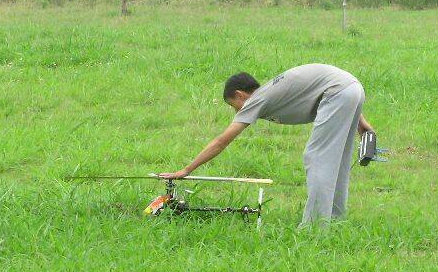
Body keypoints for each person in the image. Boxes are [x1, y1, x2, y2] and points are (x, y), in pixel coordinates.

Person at [160, 64, 374, 225]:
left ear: (239, 94)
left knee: (317, 157)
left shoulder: (256, 100)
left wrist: (186, 170)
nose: (236, 111)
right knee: (337, 160)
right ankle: (335, 219)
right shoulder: (268, 93)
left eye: (232, 105)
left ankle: (314, 227)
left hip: (339, 91)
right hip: (351, 87)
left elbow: (220, 142)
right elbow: (341, 87)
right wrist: (361, 122)